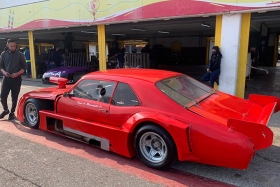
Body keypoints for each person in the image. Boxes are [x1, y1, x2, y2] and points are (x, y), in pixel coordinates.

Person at [0, 39, 27, 120]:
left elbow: (24, 67)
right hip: (6, 79)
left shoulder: (20, 55)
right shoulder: (3, 54)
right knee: (2, 97)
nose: (13, 48)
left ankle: (12, 113)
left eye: (14, 46)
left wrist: (17, 74)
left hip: (17, 79)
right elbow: (0, 66)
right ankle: (5, 110)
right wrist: (4, 73)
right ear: (7, 45)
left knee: (14, 97)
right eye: (11, 46)